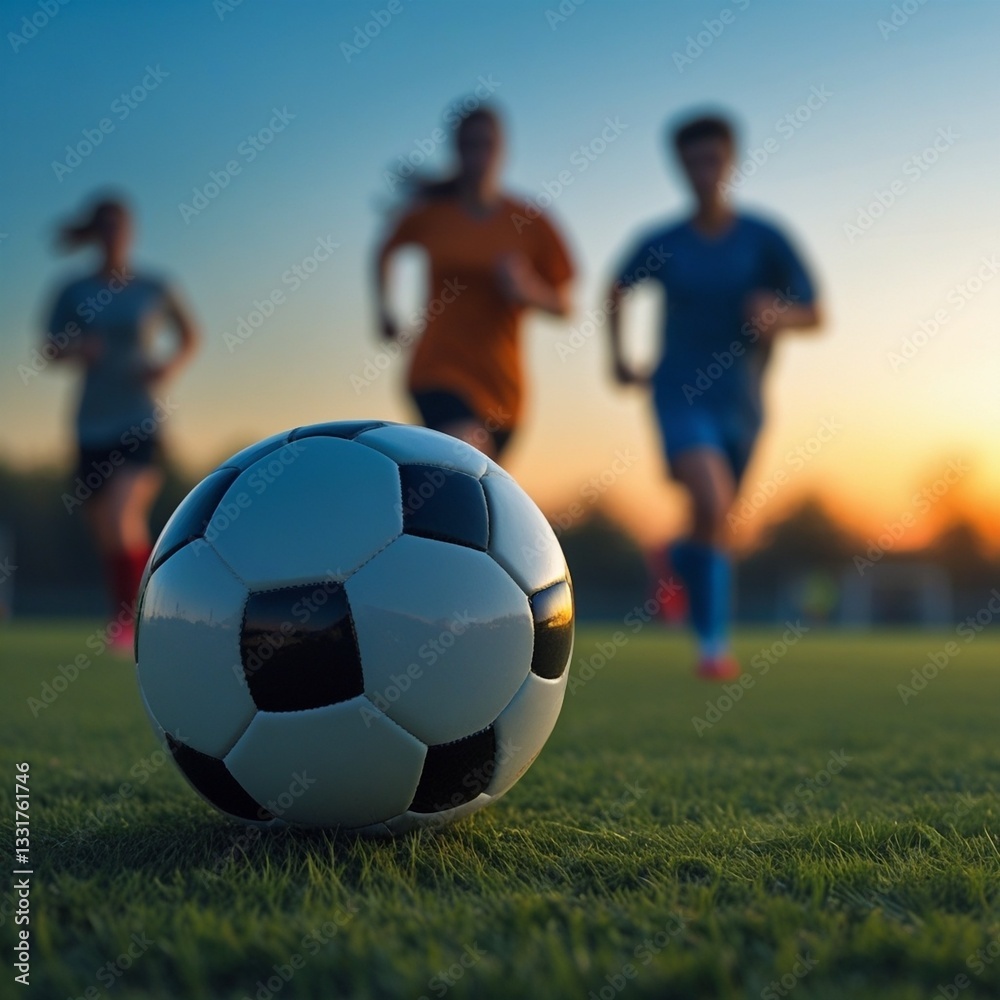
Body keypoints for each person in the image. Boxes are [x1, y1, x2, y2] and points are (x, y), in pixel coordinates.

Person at [606, 113, 822, 680]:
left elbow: (816, 311)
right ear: (678, 166)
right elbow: (616, 287)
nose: (703, 170)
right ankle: (713, 648)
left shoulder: (764, 239)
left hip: (743, 404)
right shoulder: (664, 243)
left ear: (731, 161)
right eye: (692, 160)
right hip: (678, 392)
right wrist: (618, 360)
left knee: (717, 523)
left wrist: (778, 314)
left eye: (713, 158)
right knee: (711, 498)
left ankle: (676, 558)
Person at [374, 105, 575, 460]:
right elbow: (385, 250)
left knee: (473, 499)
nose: (478, 155)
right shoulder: (434, 216)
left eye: (486, 144)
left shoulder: (529, 221)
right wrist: (384, 308)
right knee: (464, 453)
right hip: (437, 369)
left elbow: (564, 305)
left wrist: (527, 288)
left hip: (503, 388)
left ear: (502, 150)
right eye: (468, 145)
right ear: (456, 150)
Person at [44, 195, 200, 652]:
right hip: (91, 423)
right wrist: (76, 350)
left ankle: (140, 620)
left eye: (121, 226)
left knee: (123, 512)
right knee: (105, 528)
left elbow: (189, 335)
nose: (114, 235)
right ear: (96, 233)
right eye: (105, 227)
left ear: (130, 232)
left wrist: (167, 366)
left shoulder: (155, 285)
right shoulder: (71, 290)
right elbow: (50, 348)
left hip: (141, 420)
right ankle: (125, 613)